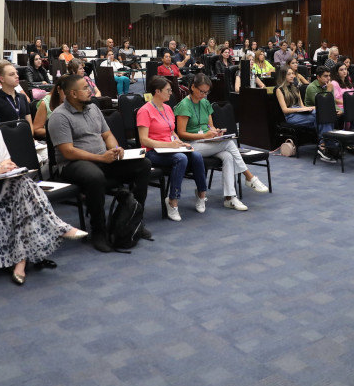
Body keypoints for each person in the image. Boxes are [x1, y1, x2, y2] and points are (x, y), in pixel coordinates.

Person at [0, 89, 86, 284]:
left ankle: (20, 261)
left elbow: (6, 160)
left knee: (21, 185)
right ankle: (57, 227)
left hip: (2, 183)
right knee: (22, 186)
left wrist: (7, 167)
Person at [48, 75, 152, 253]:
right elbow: (68, 151)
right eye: (85, 88)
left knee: (143, 164)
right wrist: (102, 158)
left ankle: (134, 219)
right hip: (73, 164)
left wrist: (116, 148)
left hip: (102, 158)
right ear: (73, 93)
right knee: (95, 177)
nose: (90, 90)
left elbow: (107, 135)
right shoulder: (59, 116)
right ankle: (99, 232)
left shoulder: (93, 108)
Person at [174, 74, 268, 210]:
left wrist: (215, 132)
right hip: (190, 146)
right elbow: (181, 134)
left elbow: (210, 126)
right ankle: (249, 177)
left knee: (228, 156)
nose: (204, 95)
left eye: (206, 92)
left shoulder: (205, 103)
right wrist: (205, 136)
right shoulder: (184, 105)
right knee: (229, 143)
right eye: (201, 91)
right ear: (193, 87)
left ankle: (230, 198)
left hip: (206, 143)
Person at [137, 77, 208, 221]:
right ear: (157, 91)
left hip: (170, 148)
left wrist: (180, 142)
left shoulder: (168, 108)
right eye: (168, 90)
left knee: (197, 156)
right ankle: (172, 201)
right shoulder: (144, 111)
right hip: (152, 152)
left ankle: (201, 194)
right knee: (180, 158)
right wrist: (170, 145)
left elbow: (171, 132)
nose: (171, 93)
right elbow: (144, 140)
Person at [304, 66, 339, 163]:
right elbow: (321, 104)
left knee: (333, 113)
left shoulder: (328, 86)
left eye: (329, 76)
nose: (328, 78)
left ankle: (332, 144)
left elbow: (332, 103)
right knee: (325, 114)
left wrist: (339, 110)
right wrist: (328, 90)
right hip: (312, 113)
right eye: (325, 76)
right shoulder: (311, 87)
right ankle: (326, 146)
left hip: (326, 112)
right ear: (318, 77)